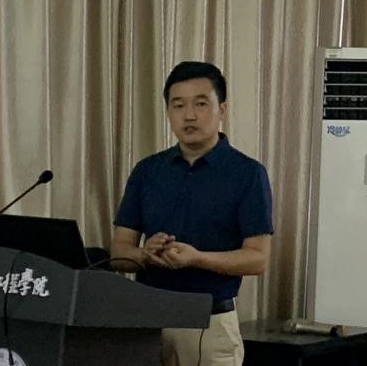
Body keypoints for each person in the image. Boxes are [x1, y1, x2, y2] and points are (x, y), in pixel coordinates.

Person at [111, 61, 273, 366]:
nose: (189, 115)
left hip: (209, 324)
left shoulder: (247, 173)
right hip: (144, 323)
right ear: (168, 112)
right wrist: (146, 254)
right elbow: (118, 253)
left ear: (221, 109)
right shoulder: (147, 171)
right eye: (178, 105)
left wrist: (197, 258)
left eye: (200, 104)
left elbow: (257, 259)